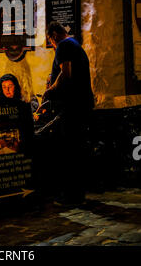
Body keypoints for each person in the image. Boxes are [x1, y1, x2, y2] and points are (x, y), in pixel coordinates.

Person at [42, 21, 94, 205]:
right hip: (82, 103)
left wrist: (51, 90)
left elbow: (66, 73)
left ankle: (71, 196)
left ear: (54, 35)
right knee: (76, 149)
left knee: (69, 151)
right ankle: (77, 194)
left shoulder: (63, 45)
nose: (52, 45)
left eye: (50, 41)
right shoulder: (74, 45)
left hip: (72, 105)